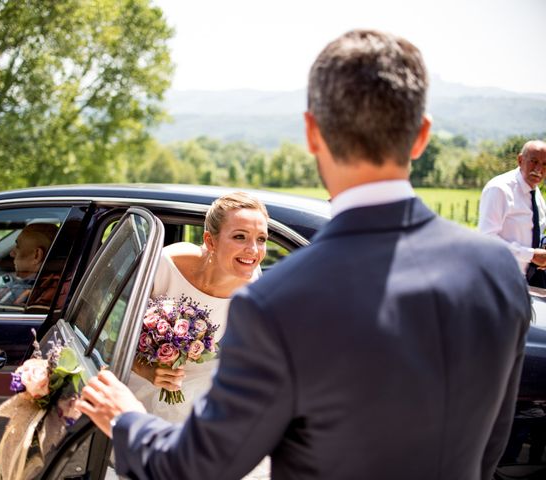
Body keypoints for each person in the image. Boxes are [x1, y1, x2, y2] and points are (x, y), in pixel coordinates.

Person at [77, 29, 531, 480]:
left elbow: (196, 465)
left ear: (312, 133)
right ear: (421, 135)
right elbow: (492, 443)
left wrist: (123, 417)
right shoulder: (495, 270)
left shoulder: (274, 302)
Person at [128, 192, 268, 422]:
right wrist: (143, 369)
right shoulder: (165, 263)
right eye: (240, 236)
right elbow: (111, 329)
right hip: (139, 377)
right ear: (210, 241)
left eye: (261, 239)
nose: (253, 250)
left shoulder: (252, 286)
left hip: (199, 384)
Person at [478, 140, 546, 287]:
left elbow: (533, 234)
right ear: (520, 160)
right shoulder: (499, 189)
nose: (539, 169)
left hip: (527, 284)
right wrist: (532, 255)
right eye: (534, 161)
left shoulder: (536, 193)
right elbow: (486, 240)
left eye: (545, 164)